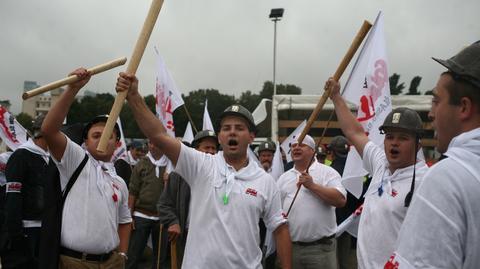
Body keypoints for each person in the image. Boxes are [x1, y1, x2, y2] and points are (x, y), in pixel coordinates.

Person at [115, 72, 292, 269]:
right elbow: (158, 135)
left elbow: (280, 228)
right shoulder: (201, 165)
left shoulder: (265, 181)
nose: (232, 131)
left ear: (251, 137)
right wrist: (134, 97)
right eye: (226, 128)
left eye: (239, 128)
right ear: (220, 137)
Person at [386, 41, 480, 268]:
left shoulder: (447, 178)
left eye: (437, 101)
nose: (431, 114)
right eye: (389, 136)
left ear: (464, 108)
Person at [325, 78, 429, 269]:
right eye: (389, 137)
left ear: (418, 145)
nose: (394, 143)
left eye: (403, 138)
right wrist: (336, 97)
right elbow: (354, 132)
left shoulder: (427, 182)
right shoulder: (380, 163)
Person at [41, 68, 131, 268]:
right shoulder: (76, 161)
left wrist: (122, 254)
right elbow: (48, 130)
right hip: (76, 262)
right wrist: (72, 89)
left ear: (117, 144)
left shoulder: (119, 181)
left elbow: (125, 221)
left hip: (111, 262)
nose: (103, 139)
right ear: (85, 142)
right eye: (96, 135)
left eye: (109, 135)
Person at [277, 134, 346, 269]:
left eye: (302, 145)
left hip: (321, 249)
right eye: (294, 145)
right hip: (291, 248)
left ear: (312, 151)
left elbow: (341, 200)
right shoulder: (283, 178)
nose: (296, 148)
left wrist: (312, 186)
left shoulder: (328, 172)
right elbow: (276, 211)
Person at [158, 130, 218, 267]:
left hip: (214, 238)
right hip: (186, 237)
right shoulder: (178, 175)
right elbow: (164, 204)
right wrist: (173, 221)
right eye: (206, 147)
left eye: (214, 148)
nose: (210, 151)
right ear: (195, 150)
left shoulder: (224, 177)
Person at [2, 114, 49, 268]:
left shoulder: (52, 159)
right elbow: (12, 200)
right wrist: (17, 237)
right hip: (25, 233)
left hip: (45, 233)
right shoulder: (21, 156)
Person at [126, 140, 168, 269]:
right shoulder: (142, 164)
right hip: (141, 215)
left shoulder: (170, 164)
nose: (153, 145)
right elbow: (133, 191)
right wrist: (130, 216)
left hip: (162, 217)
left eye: (156, 142)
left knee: (160, 257)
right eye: (150, 143)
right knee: (133, 254)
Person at [327, 135, 360, 269]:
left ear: (333, 152)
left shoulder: (330, 171)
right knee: (345, 262)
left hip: (332, 223)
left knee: (333, 262)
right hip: (349, 223)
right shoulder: (355, 170)